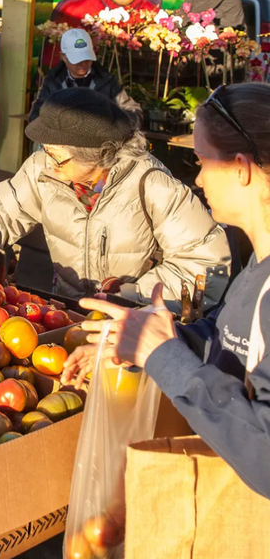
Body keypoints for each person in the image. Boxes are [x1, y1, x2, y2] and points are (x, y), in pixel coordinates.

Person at [63, 83, 270, 499]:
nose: (197, 178)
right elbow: (235, 347)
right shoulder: (256, 267)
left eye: (202, 162)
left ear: (241, 169)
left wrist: (167, 358)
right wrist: (159, 338)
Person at [0, 88, 231, 310]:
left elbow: (206, 263)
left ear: (100, 157)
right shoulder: (45, 171)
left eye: (58, 157)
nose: (48, 163)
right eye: (46, 152)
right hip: (66, 312)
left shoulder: (150, 184)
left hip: (131, 323)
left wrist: (132, 295)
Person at [29, 28, 141, 122]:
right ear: (63, 57)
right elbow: (36, 116)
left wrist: (116, 127)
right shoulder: (53, 81)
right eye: (77, 60)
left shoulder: (107, 81)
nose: (82, 64)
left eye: (87, 58)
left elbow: (132, 111)